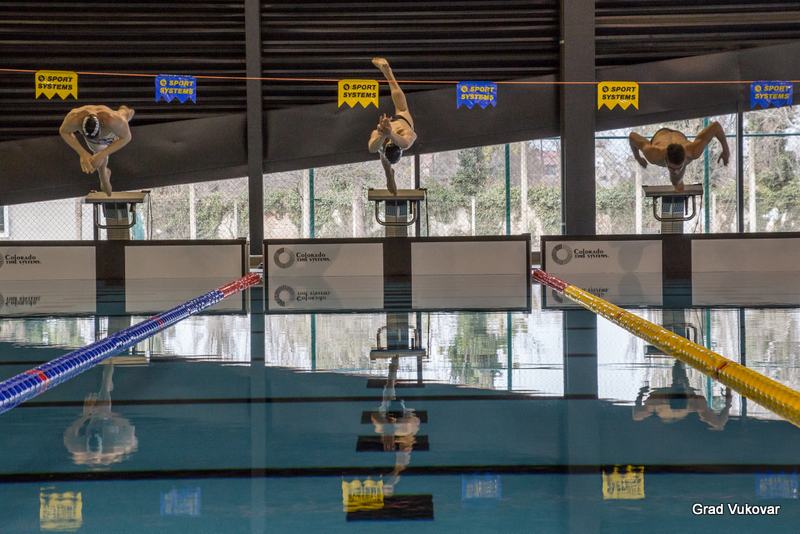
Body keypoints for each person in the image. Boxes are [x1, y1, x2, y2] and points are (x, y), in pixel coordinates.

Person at [629, 121, 730, 193]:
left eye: (679, 167)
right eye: (671, 168)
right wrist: (638, 158)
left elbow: (716, 126)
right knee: (675, 178)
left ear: (684, 158)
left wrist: (726, 150)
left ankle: (678, 180)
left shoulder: (692, 151)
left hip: (679, 136)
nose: (676, 171)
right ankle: (677, 181)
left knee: (675, 179)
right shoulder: (653, 154)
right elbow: (632, 136)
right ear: (665, 160)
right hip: (660, 135)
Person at [59, 104, 135, 196]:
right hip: (96, 144)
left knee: (125, 115)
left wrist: (102, 155)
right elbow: (63, 131)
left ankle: (127, 111)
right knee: (98, 158)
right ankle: (104, 177)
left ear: (101, 125)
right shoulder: (74, 118)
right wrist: (82, 153)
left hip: (112, 134)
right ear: (81, 124)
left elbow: (126, 138)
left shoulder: (112, 120)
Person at [368, 58, 417, 196]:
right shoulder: (404, 139)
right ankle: (388, 74)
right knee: (401, 108)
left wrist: (385, 134)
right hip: (398, 126)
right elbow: (373, 149)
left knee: (402, 108)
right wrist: (388, 133)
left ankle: (389, 175)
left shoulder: (384, 139)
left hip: (398, 124)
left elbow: (372, 148)